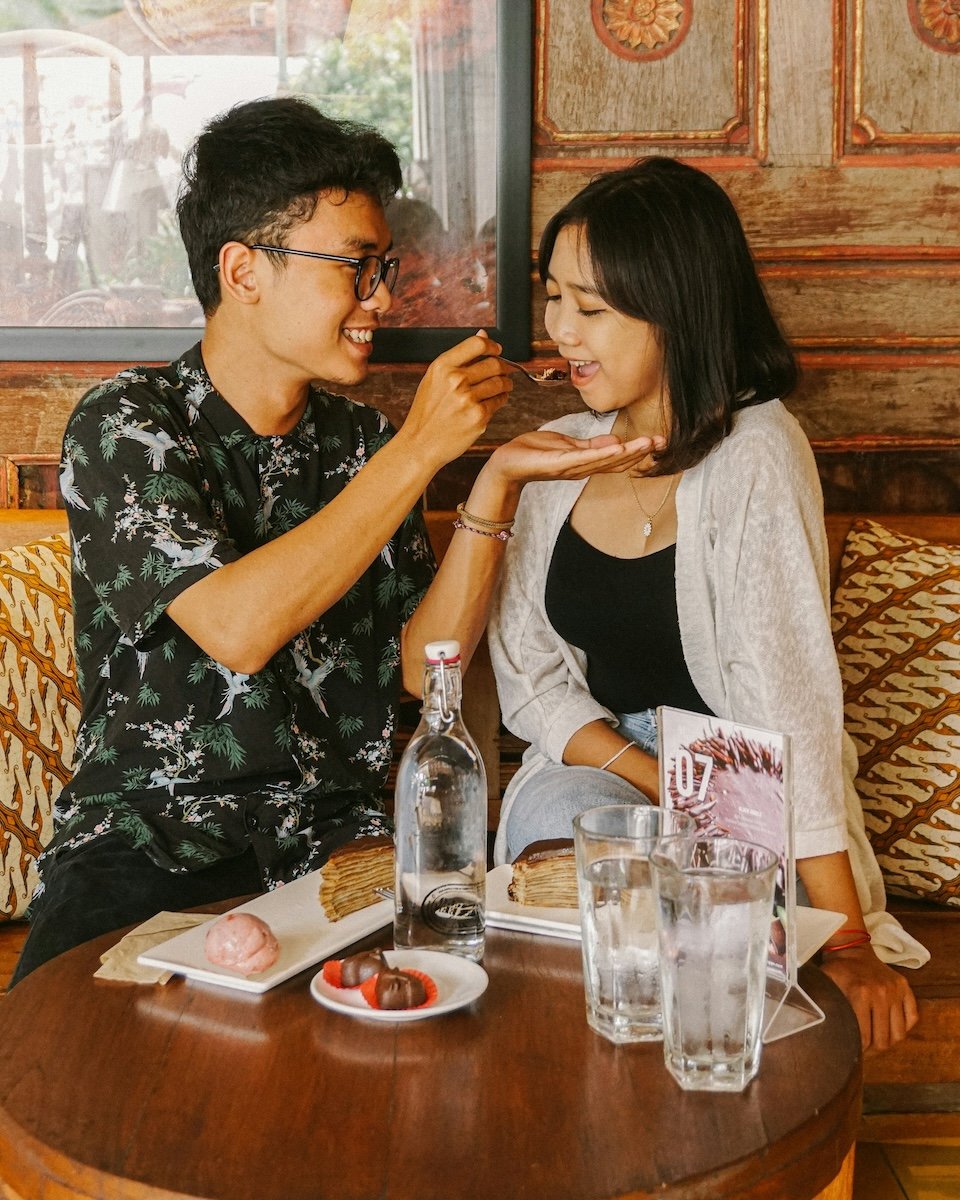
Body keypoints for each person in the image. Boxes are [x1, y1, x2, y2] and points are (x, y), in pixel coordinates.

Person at [10, 97, 660, 987]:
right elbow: (237, 628)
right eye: (355, 267)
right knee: (55, 1065)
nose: (382, 298)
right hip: (147, 841)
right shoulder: (129, 427)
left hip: (337, 845)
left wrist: (493, 483)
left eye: (383, 268)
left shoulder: (358, 441)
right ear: (244, 271)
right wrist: (421, 448)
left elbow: (418, 664)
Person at [487, 156, 924, 1052]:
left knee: (712, 897)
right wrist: (659, 784)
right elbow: (529, 677)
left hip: (751, 777)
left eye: (593, 308)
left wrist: (845, 940)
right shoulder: (557, 456)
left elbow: (786, 696)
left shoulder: (758, 452)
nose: (561, 330)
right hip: (608, 771)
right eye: (553, 297)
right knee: (551, 828)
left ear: (675, 309)